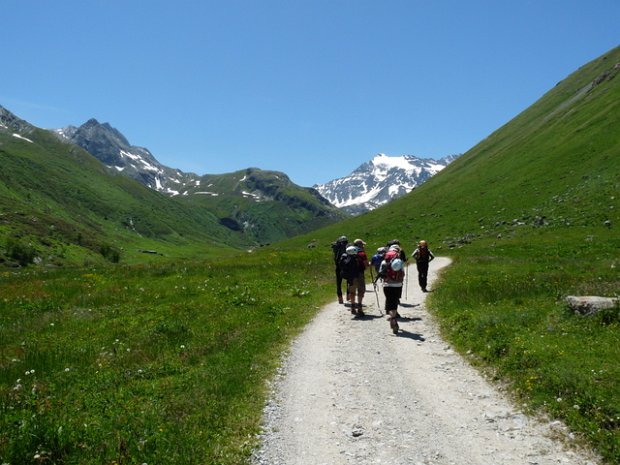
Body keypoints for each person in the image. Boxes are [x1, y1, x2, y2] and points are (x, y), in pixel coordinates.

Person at [377, 254, 405, 334]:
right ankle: (394, 317)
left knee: (389, 301)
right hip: (398, 285)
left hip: (387, 285)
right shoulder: (400, 262)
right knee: (395, 302)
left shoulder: (383, 262)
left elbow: (380, 274)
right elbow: (403, 273)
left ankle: (392, 318)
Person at [339, 244, 365, 316]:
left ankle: (353, 306)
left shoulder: (345, 258)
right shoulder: (358, 257)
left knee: (352, 292)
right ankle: (359, 307)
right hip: (359, 276)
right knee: (361, 291)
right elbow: (364, 267)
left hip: (351, 278)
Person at [331, 235, 348, 303]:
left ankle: (340, 297)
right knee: (349, 280)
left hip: (338, 266)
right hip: (346, 266)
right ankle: (348, 295)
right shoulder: (346, 247)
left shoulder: (336, 247)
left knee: (338, 282)